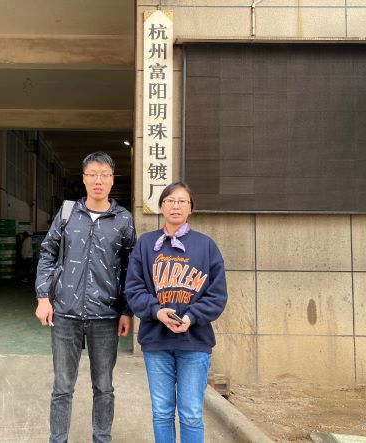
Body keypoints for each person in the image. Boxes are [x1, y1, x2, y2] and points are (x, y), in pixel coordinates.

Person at [35, 151, 136, 443]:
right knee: (62, 387)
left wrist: (126, 310)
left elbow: (130, 268)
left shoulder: (123, 219)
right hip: (65, 313)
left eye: (104, 175)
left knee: (103, 387)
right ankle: (58, 439)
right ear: (84, 178)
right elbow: (48, 253)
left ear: (112, 180)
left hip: (105, 316)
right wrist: (43, 297)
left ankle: (102, 438)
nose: (98, 180)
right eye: (92, 174)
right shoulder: (68, 213)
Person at [124, 182, 228, 443]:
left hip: (194, 342)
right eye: (170, 200)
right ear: (161, 206)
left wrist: (191, 317)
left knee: (191, 413)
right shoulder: (146, 244)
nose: (176, 206)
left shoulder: (206, 246)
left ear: (191, 208)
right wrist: (156, 311)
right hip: (156, 341)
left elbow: (217, 295)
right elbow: (133, 289)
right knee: (161, 412)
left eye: (182, 201)